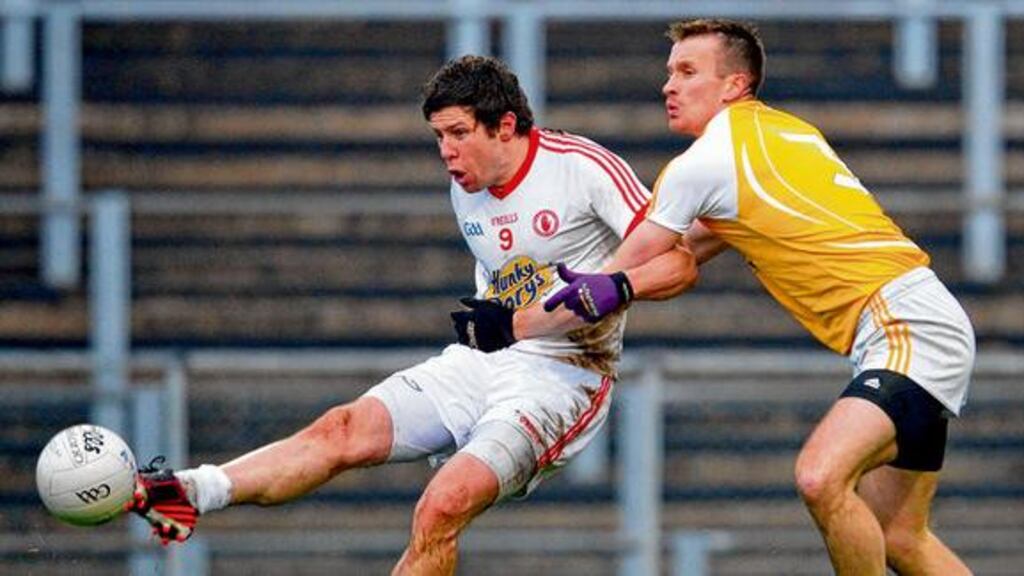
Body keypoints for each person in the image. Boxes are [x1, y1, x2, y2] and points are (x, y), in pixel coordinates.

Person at [125, 55, 663, 575]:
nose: (447, 153)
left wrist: (598, 293)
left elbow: (673, 257)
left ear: (505, 126)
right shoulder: (465, 189)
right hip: (486, 360)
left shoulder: (581, 169)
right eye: (438, 138)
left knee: (442, 504)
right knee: (342, 428)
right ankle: (190, 492)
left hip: (562, 381)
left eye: (458, 133)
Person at [531, 18, 975, 576]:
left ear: (734, 85)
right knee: (900, 537)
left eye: (688, 72)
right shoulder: (788, 132)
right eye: (669, 72)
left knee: (820, 476)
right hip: (920, 315)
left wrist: (523, 323)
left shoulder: (701, 164)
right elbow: (688, 251)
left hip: (902, 324)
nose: (668, 86)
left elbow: (621, 270)